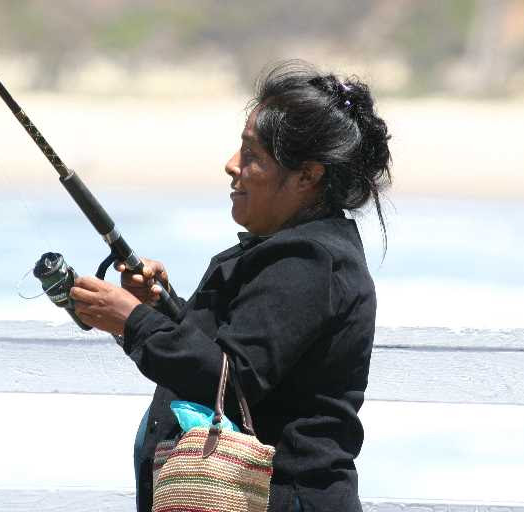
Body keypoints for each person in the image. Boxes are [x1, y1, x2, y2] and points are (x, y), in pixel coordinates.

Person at [69, 60, 392, 512]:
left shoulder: (310, 261)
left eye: (252, 155)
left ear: (307, 176)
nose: (231, 165)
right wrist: (161, 308)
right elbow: (239, 356)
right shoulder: (290, 250)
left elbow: (231, 380)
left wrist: (132, 321)